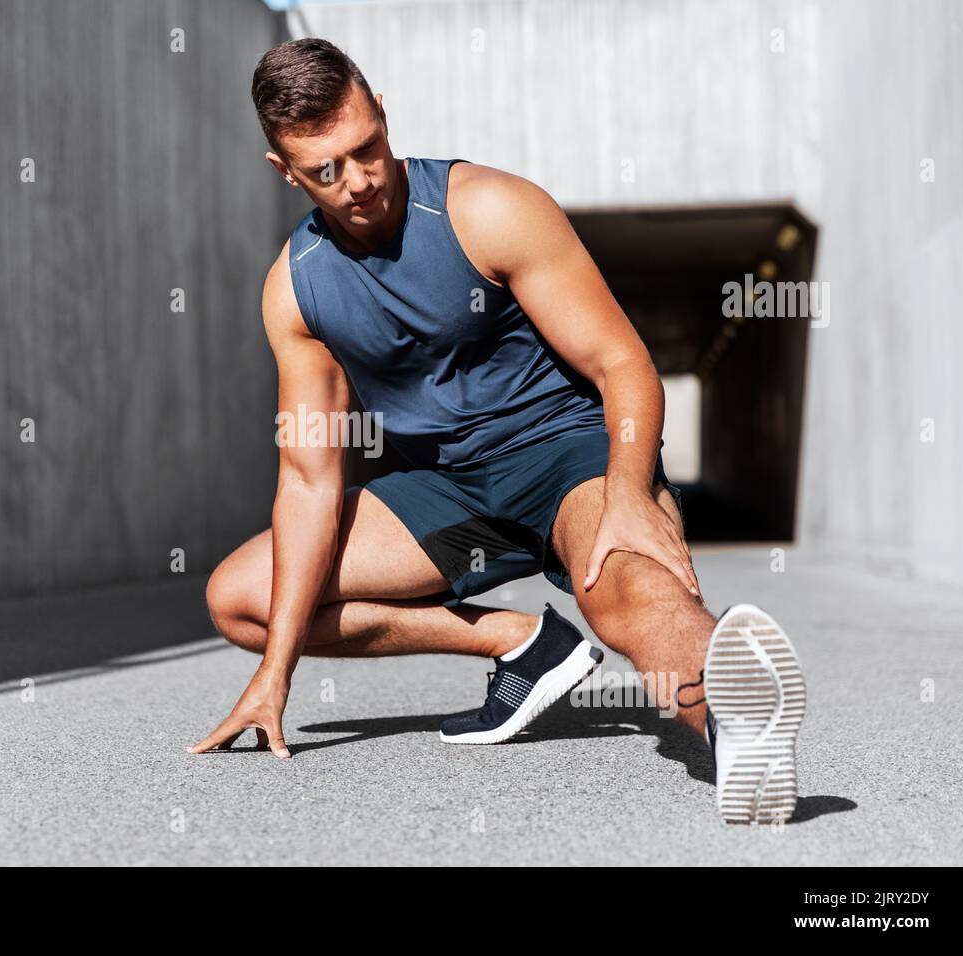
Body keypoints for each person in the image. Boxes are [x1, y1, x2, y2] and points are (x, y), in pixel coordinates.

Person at [190, 38, 805, 825]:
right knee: (243, 599)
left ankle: (737, 724)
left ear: (382, 114)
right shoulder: (295, 290)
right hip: (450, 491)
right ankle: (520, 643)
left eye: (366, 148)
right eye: (326, 170)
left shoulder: (487, 208)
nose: (360, 181)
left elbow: (623, 362)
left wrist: (626, 492)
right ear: (286, 171)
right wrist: (276, 672)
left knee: (622, 591)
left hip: (570, 453)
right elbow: (310, 480)